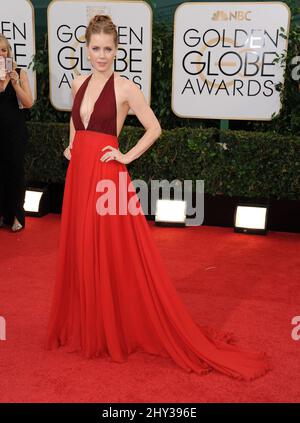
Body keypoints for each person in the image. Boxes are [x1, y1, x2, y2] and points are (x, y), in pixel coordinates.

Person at [45, 15, 271, 380]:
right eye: (95, 48)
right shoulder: (77, 82)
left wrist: (125, 155)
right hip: (79, 174)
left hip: (105, 175)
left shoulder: (126, 88)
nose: (101, 56)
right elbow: (76, 121)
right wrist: (71, 144)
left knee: (108, 249)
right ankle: (88, 324)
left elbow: (154, 128)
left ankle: (110, 327)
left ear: (117, 50)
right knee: (81, 246)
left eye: (108, 49)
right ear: (86, 49)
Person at [0, 34, 33, 232]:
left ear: (9, 52)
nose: (0, 54)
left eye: (3, 50)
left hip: (15, 133)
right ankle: (3, 215)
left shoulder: (19, 72)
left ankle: (17, 216)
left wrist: (15, 84)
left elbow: (28, 103)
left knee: (15, 174)